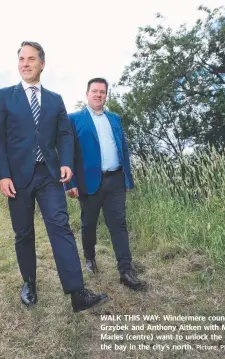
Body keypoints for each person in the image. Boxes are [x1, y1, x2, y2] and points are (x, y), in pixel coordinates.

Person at [0, 41, 109, 313]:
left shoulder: (55, 100)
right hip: (17, 178)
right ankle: (29, 282)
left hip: (48, 174)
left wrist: (66, 162)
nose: (25, 63)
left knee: (61, 227)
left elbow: (65, 134)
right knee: (23, 233)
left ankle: (77, 292)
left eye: (31, 58)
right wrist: (2, 175)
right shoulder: (4, 96)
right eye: (21, 58)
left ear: (42, 63)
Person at [65, 77, 147, 291]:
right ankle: (90, 257)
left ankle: (126, 270)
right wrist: (70, 183)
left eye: (102, 92)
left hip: (116, 179)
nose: (98, 95)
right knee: (88, 223)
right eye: (95, 91)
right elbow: (67, 153)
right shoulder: (73, 119)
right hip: (89, 182)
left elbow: (124, 149)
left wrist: (128, 178)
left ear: (106, 95)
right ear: (87, 93)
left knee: (118, 224)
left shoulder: (115, 119)